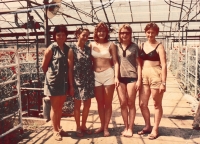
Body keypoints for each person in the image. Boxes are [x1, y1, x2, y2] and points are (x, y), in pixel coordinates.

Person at [42, 25, 74, 141]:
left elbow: (70, 69)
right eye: (58, 35)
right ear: (54, 36)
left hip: (64, 82)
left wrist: (71, 86)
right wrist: (52, 76)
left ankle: (58, 128)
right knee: (55, 108)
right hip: (53, 83)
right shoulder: (51, 49)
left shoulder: (68, 49)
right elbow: (44, 66)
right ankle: (55, 131)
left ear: (66, 36)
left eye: (63, 35)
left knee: (60, 107)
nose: (60, 37)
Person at [138, 22, 167, 140]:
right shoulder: (142, 45)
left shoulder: (159, 46)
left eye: (152, 32)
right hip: (144, 74)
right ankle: (147, 126)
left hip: (156, 74)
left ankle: (155, 128)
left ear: (156, 33)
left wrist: (163, 82)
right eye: (148, 32)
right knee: (142, 104)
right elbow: (139, 63)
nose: (150, 34)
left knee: (156, 103)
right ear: (145, 33)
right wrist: (139, 78)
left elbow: (164, 65)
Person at [90, 22, 119, 137]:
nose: (101, 33)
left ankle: (106, 127)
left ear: (106, 33)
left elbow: (116, 61)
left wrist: (116, 77)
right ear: (96, 32)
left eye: (103, 31)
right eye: (99, 31)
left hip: (108, 74)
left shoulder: (111, 45)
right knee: (99, 103)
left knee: (108, 103)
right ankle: (102, 125)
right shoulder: (91, 45)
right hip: (96, 75)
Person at [115, 24, 142, 137]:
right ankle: (125, 126)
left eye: (127, 33)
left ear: (130, 34)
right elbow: (116, 63)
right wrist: (116, 77)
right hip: (120, 78)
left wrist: (139, 80)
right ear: (119, 34)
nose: (124, 35)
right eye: (122, 33)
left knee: (131, 103)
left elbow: (139, 65)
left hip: (132, 77)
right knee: (122, 103)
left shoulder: (135, 47)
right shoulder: (116, 47)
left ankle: (130, 128)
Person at [72, 28, 95, 137]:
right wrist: (71, 84)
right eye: (83, 35)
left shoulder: (88, 48)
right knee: (77, 104)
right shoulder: (72, 49)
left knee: (87, 104)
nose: (86, 38)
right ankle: (77, 126)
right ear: (78, 35)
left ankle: (84, 125)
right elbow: (70, 66)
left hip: (88, 79)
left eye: (87, 36)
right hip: (77, 80)